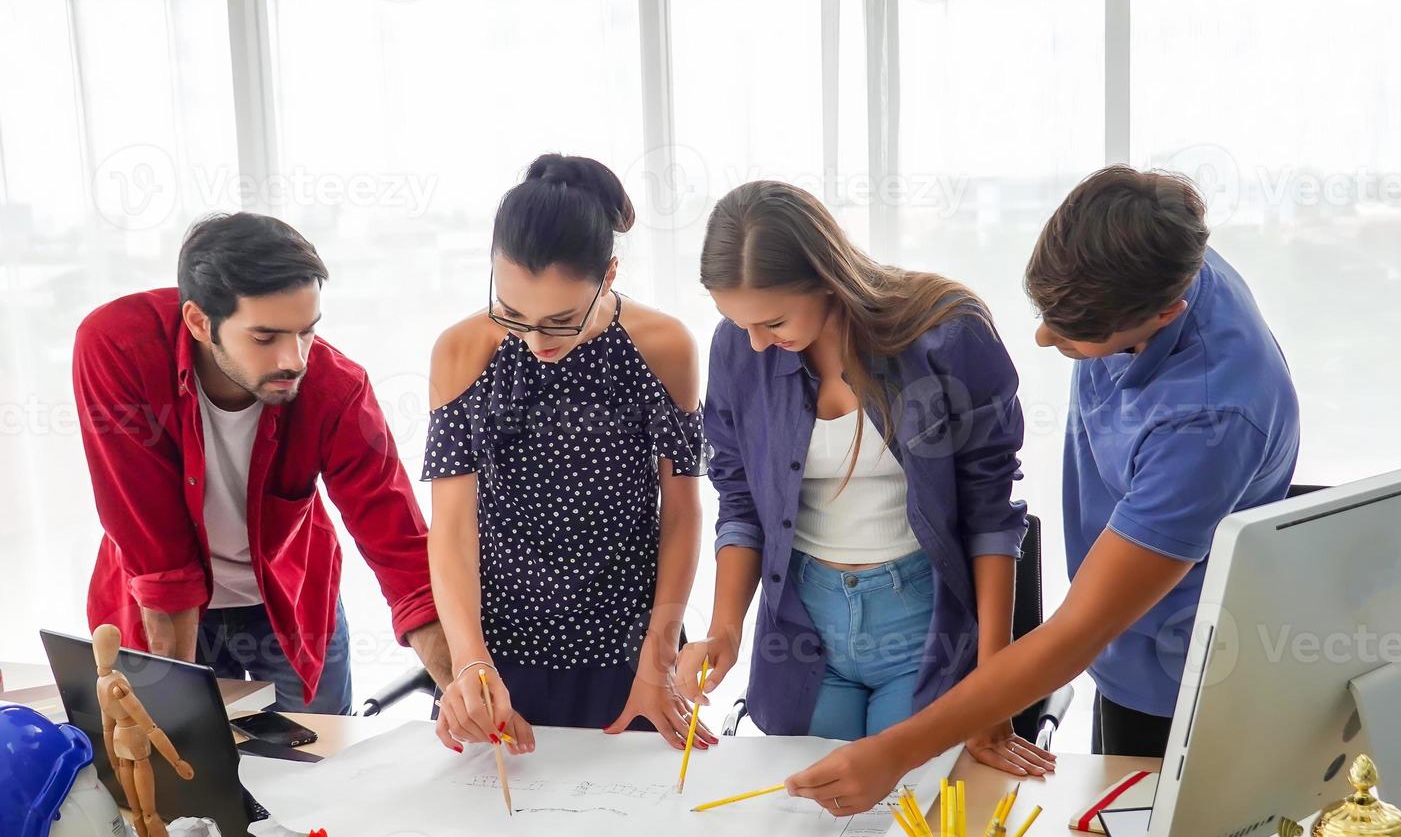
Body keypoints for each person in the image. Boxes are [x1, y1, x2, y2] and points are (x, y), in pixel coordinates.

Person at [784, 166, 1300, 813]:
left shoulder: (1212, 419)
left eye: (1074, 334)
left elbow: (1077, 630)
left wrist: (894, 752)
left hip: (1188, 673)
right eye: (1046, 314)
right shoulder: (1150, 241)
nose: (1043, 338)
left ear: (1167, 311)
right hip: (1118, 651)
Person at [676, 180, 1052, 777]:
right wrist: (725, 629)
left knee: (913, 826)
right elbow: (741, 500)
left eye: (772, 321)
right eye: (737, 322)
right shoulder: (737, 349)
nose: (754, 342)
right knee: (814, 826)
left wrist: (992, 690)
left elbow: (991, 516)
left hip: (921, 627)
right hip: (801, 629)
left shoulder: (949, 336)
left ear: (826, 278)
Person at [73, 212, 452, 714]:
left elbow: (399, 547)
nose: (294, 359)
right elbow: (154, 544)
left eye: (306, 332)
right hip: (165, 607)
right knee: (192, 761)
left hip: (291, 604)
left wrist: (458, 680)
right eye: (265, 337)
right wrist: (175, 708)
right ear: (199, 322)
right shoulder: (119, 348)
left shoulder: (336, 389)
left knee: (321, 760)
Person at [425, 154, 713, 755]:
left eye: (559, 321)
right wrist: (468, 660)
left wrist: (657, 660)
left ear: (608, 275)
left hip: (631, 651)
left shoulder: (662, 347)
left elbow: (682, 514)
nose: (534, 341)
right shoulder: (461, 351)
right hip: (500, 653)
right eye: (512, 313)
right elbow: (453, 527)